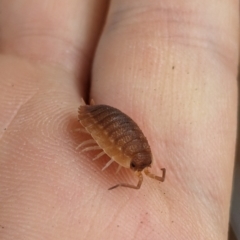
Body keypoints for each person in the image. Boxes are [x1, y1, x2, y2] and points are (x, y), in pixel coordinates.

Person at [0, 1, 238, 239]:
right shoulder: (116, 147)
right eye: (136, 167)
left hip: (110, 119)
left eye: (136, 167)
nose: (137, 171)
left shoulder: (133, 154)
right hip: (102, 116)